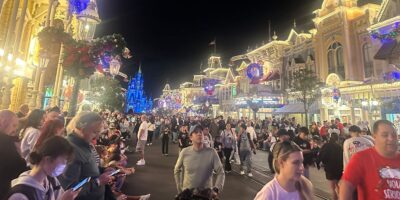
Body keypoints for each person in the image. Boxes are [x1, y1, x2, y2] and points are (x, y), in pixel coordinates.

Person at [339, 120, 400, 200]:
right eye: (385, 135)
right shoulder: (361, 158)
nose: (391, 138)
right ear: (374, 137)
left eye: (394, 135)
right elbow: (346, 186)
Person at [58, 112, 112, 200]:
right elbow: (70, 190)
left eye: (99, 132)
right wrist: (98, 182)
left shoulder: (84, 144)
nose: (98, 137)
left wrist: (103, 170)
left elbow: (87, 171)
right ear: (81, 128)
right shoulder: (70, 149)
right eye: (95, 132)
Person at [6, 136, 79, 200]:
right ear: (48, 159)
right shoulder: (20, 194)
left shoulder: (51, 181)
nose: (64, 167)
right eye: (63, 163)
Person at [174, 125, 225, 198]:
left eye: (201, 132)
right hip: (188, 195)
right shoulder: (184, 152)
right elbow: (177, 170)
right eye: (196, 132)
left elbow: (221, 172)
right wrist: (180, 189)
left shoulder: (212, 152)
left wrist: (216, 189)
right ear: (191, 137)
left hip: (206, 195)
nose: (199, 134)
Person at [0, 110, 28, 199]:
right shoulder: (7, 143)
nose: (15, 130)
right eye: (14, 125)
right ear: (3, 123)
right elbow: (20, 168)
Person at [318, 133, 343, 200]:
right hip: (339, 169)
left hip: (330, 169)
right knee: (337, 186)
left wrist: (320, 163)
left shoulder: (326, 145)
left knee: (332, 188)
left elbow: (322, 155)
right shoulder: (339, 147)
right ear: (337, 139)